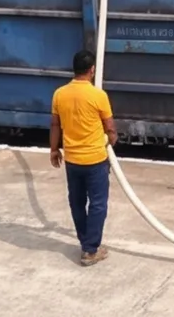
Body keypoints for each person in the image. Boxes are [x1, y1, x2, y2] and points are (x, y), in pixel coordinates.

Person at [50, 50, 118, 266]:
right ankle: (90, 250)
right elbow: (110, 128)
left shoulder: (59, 94)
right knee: (98, 204)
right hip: (96, 160)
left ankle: (85, 242)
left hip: (72, 160)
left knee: (77, 202)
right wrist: (111, 140)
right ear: (92, 70)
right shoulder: (99, 96)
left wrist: (54, 150)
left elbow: (54, 125)